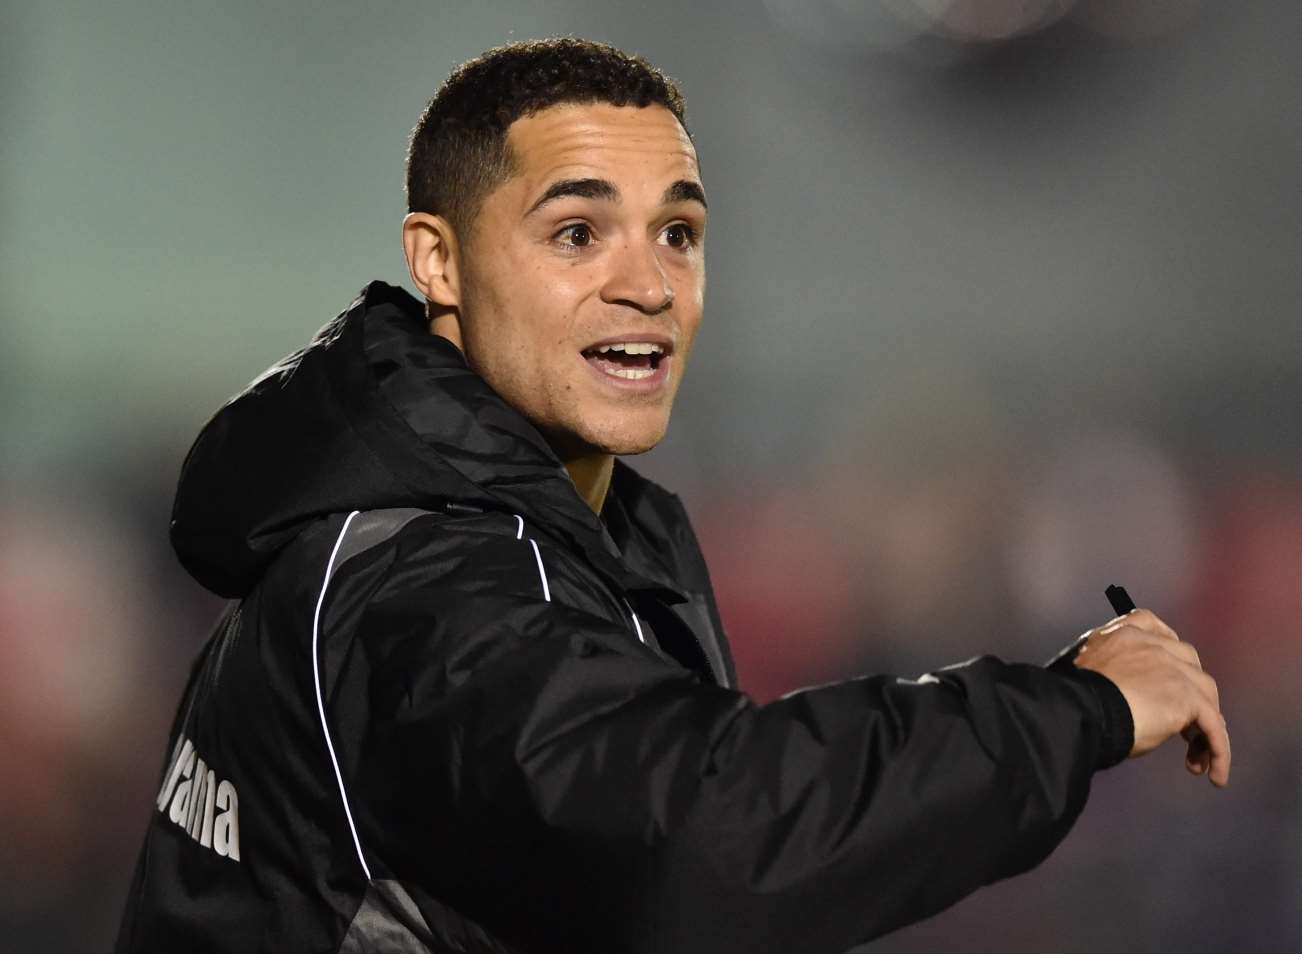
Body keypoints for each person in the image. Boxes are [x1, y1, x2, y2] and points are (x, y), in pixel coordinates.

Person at [114, 37, 1230, 954]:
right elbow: (708, 837)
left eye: (679, 233)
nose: (647, 284)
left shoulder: (493, 527)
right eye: (576, 232)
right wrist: (1080, 709)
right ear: (438, 264)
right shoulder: (429, 588)